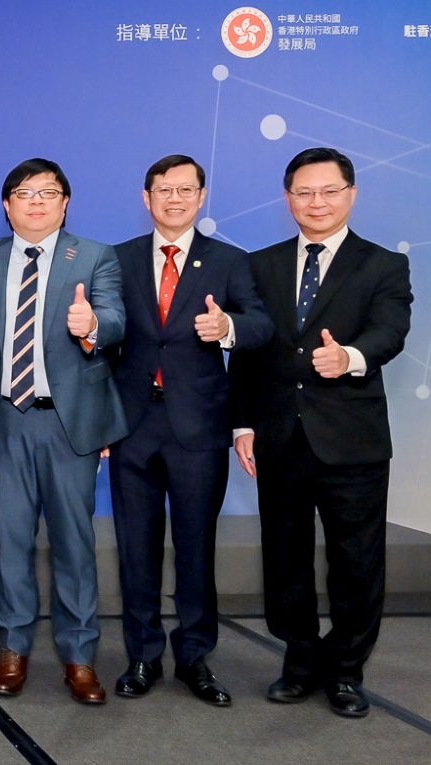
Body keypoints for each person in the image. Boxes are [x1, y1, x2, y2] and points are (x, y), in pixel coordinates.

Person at [231, 148, 412, 718]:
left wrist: (353, 357)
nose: (317, 203)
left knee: (356, 562)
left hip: (351, 439)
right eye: (304, 193)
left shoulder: (383, 265)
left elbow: (391, 331)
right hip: (279, 436)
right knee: (284, 559)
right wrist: (241, 423)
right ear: (288, 199)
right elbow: (248, 352)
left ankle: (347, 671)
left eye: (329, 191)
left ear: (351, 195)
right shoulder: (260, 265)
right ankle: (300, 660)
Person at [0, 157, 126, 705]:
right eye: (24, 193)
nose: (36, 202)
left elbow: (116, 318)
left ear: (65, 202)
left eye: (48, 192)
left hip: (67, 421)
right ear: (7, 205)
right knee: (10, 541)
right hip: (4, 419)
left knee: (74, 543)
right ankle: (13, 649)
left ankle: (79, 656)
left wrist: (92, 325)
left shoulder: (95, 255)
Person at [107, 154, 271, 706]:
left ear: (202, 197)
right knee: (136, 548)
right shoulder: (118, 259)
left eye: (185, 190)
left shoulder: (228, 261)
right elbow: (106, 342)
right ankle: (142, 655)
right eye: (162, 190)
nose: (173, 199)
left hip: (198, 426)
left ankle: (195, 658)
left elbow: (260, 323)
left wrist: (227, 327)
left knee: (196, 547)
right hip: (133, 424)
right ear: (145, 196)